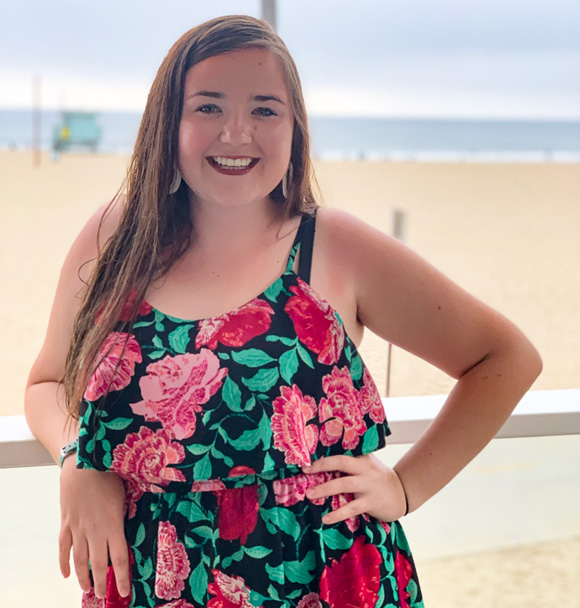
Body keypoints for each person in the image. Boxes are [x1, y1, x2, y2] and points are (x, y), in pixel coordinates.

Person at [24, 14, 542, 608]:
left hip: (320, 577)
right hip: (147, 578)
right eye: (209, 107)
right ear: (169, 123)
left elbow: (505, 359)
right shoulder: (117, 235)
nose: (237, 133)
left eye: (265, 110)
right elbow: (46, 381)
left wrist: (404, 486)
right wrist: (78, 461)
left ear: (295, 127)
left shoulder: (334, 247)